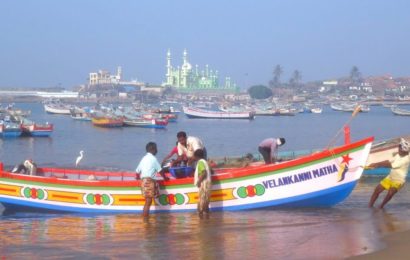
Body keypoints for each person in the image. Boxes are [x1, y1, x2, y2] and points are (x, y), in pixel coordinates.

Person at [368, 138, 410, 209]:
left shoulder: (406, 159)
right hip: (390, 177)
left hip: (399, 180)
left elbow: (392, 165)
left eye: (400, 149)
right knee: (377, 190)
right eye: (398, 148)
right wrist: (375, 163)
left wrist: (378, 165)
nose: (398, 150)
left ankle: (381, 207)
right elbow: (388, 161)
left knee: (390, 193)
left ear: (404, 150)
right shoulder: (398, 155)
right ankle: (369, 206)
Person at [136, 142, 168, 218]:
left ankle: (146, 217)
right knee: (148, 201)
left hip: (143, 181)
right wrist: (165, 178)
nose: (157, 150)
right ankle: (145, 218)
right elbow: (160, 171)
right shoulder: (153, 159)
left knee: (149, 199)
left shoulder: (144, 158)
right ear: (153, 149)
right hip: (149, 181)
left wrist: (138, 178)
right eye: (156, 149)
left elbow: (137, 171)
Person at [193, 149, 212, 218]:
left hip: (204, 183)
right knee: (205, 202)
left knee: (201, 203)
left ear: (196, 156)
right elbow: (209, 171)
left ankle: (201, 219)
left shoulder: (200, 162)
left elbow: (204, 172)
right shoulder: (205, 162)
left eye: (193, 156)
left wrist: (198, 181)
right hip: (208, 183)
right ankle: (207, 216)